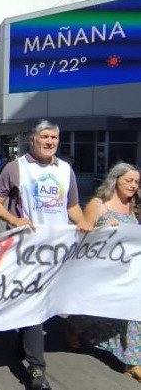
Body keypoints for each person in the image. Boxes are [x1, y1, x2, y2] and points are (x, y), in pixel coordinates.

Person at [0, 120, 92, 390]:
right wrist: (14, 220)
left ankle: (22, 344)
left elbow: (72, 207)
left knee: (40, 304)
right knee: (34, 303)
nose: (50, 142)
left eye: (54, 138)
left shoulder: (65, 170)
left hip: (56, 250)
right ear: (32, 140)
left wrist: (84, 225)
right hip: (25, 249)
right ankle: (37, 369)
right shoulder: (16, 168)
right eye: (45, 137)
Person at [67, 163, 141, 383]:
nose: (133, 185)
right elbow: (83, 234)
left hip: (128, 272)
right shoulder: (99, 205)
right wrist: (102, 228)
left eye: (136, 182)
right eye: (128, 180)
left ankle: (133, 361)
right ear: (115, 179)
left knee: (133, 313)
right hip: (101, 272)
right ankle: (75, 324)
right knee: (97, 313)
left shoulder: (135, 207)